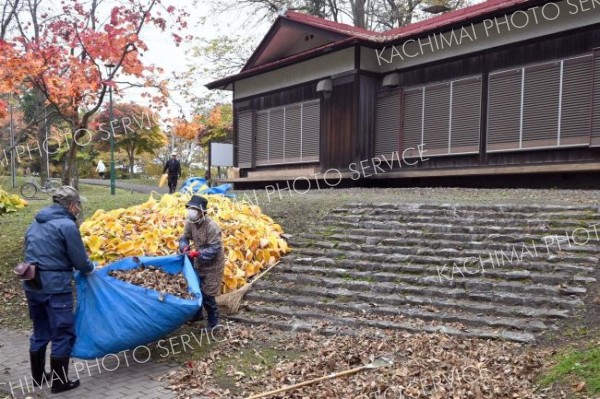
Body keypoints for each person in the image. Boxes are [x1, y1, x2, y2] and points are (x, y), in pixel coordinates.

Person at [23, 186, 95, 393]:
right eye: (77, 205)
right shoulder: (67, 225)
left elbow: (28, 249)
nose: (78, 208)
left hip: (32, 284)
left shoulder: (36, 222)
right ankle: (59, 382)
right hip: (55, 286)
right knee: (62, 332)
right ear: (72, 206)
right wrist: (90, 269)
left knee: (40, 330)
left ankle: (38, 378)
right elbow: (80, 260)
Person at [178, 195, 225, 330]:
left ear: (202, 212)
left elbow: (215, 249)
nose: (191, 211)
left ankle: (213, 323)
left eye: (194, 209)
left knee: (207, 295)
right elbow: (184, 238)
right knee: (195, 289)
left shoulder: (212, 226)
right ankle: (197, 315)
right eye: (190, 208)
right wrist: (184, 246)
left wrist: (198, 253)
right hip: (199, 262)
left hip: (214, 265)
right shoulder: (190, 223)